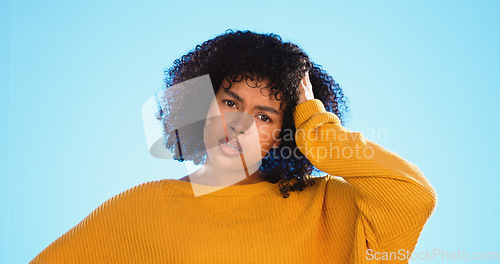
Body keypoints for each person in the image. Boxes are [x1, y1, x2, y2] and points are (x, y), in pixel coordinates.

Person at [30, 30, 437, 263]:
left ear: (285, 132)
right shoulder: (142, 208)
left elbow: (413, 197)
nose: (241, 125)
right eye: (230, 103)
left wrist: (316, 126)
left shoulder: (331, 207)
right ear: (202, 103)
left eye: (265, 116)